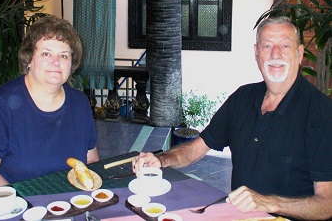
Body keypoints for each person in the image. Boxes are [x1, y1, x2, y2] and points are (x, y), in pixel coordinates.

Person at [132, 16, 332, 220]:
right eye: (267, 46)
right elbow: (195, 149)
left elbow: (328, 204)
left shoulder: (321, 113)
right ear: (256, 53)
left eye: (285, 45)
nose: (275, 54)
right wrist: (160, 160)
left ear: (299, 54)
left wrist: (268, 203)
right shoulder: (242, 98)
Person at [0, 15, 99, 191]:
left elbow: (91, 161)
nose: (56, 62)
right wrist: (24, 206)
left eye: (63, 55)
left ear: (71, 64)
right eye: (46, 53)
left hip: (71, 205)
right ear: (29, 60)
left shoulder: (79, 103)